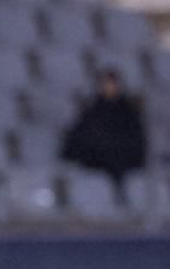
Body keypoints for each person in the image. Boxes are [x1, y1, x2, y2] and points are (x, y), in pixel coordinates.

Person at [61, 68, 147, 197]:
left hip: (125, 157)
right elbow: (80, 136)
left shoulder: (128, 112)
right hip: (97, 158)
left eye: (113, 83)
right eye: (106, 84)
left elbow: (137, 138)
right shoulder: (93, 110)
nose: (110, 87)